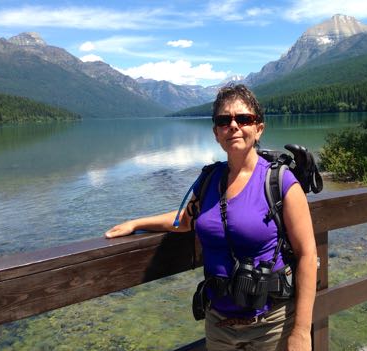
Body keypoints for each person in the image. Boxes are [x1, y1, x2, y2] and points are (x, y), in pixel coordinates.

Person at [105, 84, 317, 351]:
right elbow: (185, 220)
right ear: (216, 133)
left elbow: (307, 255)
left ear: (258, 128)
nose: (233, 125)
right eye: (223, 120)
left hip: (271, 324)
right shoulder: (210, 178)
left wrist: (300, 331)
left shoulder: (279, 180)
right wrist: (136, 223)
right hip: (218, 324)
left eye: (243, 118)